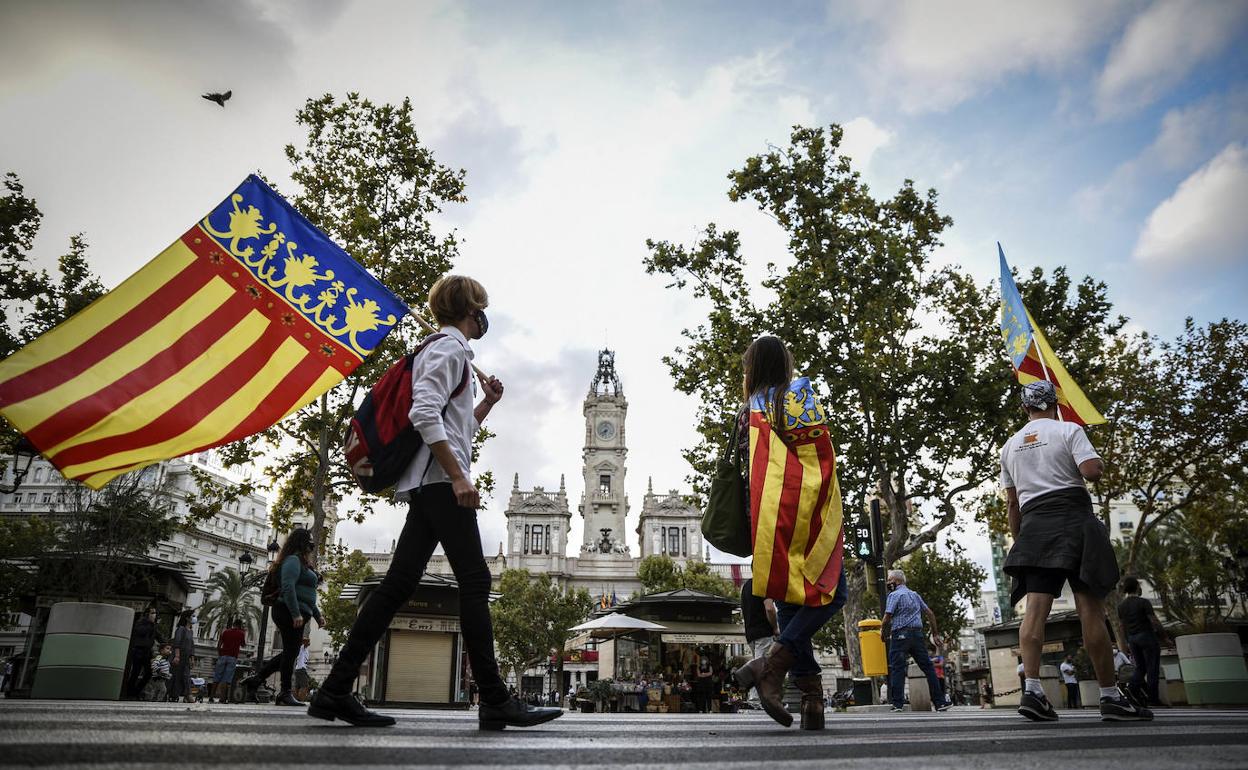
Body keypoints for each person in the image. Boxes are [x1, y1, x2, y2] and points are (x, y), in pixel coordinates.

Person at [308, 275, 560, 731]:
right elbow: (423, 414)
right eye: (482, 306)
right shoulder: (448, 350)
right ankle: (496, 700)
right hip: (441, 485)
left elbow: (453, 428)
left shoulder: (447, 351)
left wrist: (486, 405)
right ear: (470, 309)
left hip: (431, 484)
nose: (485, 315)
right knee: (475, 581)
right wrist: (460, 477)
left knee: (398, 585)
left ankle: (335, 688)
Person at [1001, 380, 1151, 722]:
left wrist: (1021, 539)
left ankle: (1034, 692)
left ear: (1025, 408)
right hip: (1074, 520)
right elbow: (1091, 472)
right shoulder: (1069, 430)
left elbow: (1012, 504)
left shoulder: (1009, 447)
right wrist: (1092, 459)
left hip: (1034, 527)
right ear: (1056, 402)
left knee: (1034, 612)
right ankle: (1110, 697)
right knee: (1090, 611)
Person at [730, 335, 848, 731]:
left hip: (765, 520)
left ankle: (812, 702)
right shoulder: (795, 397)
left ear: (752, 370)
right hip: (801, 513)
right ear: (784, 365)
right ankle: (771, 664)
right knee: (832, 591)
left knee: (792, 607)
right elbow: (818, 456)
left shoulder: (746, 411)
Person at [241, 528, 323, 707]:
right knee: (291, 653)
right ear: (301, 542)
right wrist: (295, 613)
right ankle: (284, 692)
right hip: (287, 611)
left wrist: (317, 615)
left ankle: (256, 680)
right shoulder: (293, 560)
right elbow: (288, 587)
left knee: (290, 653)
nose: (312, 544)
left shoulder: (303, 564)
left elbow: (306, 594)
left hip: (298, 612)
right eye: (309, 540)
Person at [881, 570, 948, 713]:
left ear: (896, 581)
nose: (888, 583)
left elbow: (887, 617)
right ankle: (940, 702)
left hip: (900, 636)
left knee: (897, 669)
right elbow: (929, 613)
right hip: (917, 636)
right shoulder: (915, 595)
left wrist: (882, 632)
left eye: (889, 580)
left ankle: (898, 704)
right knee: (928, 668)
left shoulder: (894, 595)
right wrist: (935, 633)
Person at [1118, 576, 1168, 707]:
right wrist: (1165, 637)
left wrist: (1125, 643)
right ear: (1136, 587)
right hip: (1146, 636)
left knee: (1141, 667)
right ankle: (1153, 699)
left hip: (1132, 639)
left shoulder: (1121, 606)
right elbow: (1154, 620)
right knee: (1152, 668)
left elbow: (1121, 626)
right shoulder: (1143, 602)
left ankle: (1132, 689)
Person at [126, 608, 164, 698]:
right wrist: (151, 623)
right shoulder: (141, 623)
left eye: (155, 613)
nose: (154, 615)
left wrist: (166, 642)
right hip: (138, 650)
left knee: (149, 672)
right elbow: (141, 632)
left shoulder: (153, 625)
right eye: (152, 613)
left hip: (147, 652)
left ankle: (136, 691)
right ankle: (130, 692)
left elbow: (158, 636)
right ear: (147, 614)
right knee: (135, 672)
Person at [211, 618, 245, 704]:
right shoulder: (241, 633)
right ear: (240, 625)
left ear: (233, 624)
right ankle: (222, 698)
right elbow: (243, 645)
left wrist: (220, 654)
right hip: (232, 657)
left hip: (223, 656)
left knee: (216, 678)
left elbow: (219, 644)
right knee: (226, 679)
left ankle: (211, 697)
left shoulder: (225, 632)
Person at [169, 612, 195, 703]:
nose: (194, 618)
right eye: (193, 616)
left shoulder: (191, 631)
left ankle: (188, 695)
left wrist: (192, 658)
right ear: (187, 618)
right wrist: (177, 656)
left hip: (186, 658)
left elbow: (192, 646)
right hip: (179, 656)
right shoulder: (181, 629)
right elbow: (177, 642)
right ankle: (175, 695)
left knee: (186, 676)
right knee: (177, 676)